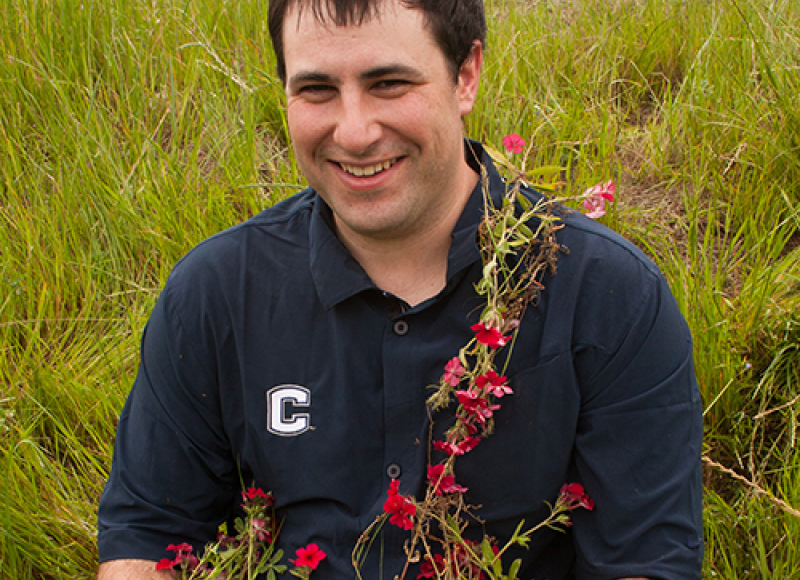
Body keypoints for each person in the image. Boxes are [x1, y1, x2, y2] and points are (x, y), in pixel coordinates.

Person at [96, 0, 704, 578]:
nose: (355, 132)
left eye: (389, 83)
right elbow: (149, 531)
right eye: (316, 90)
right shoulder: (216, 292)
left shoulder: (611, 295)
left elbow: (643, 561)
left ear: (465, 75)